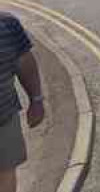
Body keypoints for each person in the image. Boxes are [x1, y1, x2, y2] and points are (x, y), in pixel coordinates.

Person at [0, 12, 44, 192]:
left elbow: (25, 62)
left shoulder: (8, 25)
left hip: (4, 119)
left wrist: (36, 100)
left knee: (6, 175)